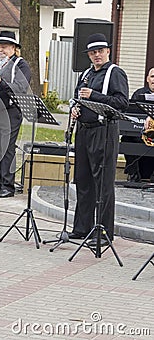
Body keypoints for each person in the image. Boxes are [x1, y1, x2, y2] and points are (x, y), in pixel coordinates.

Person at [69, 33, 129, 246]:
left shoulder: (115, 72)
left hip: (104, 131)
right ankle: (81, 228)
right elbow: (77, 97)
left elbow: (122, 102)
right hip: (84, 131)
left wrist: (94, 95)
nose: (96, 55)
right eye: (93, 52)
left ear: (108, 52)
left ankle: (103, 233)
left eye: (100, 51)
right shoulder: (86, 73)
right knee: (83, 180)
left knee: (103, 182)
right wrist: (75, 108)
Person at [0, 31, 32, 198]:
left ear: (14, 48)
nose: (1, 50)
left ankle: (8, 186)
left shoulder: (21, 65)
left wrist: (0, 83)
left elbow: (20, 87)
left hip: (10, 111)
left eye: (4, 47)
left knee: (7, 148)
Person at [123, 67, 154, 182]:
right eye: (152, 76)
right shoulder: (139, 93)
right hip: (139, 133)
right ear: (147, 79)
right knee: (126, 138)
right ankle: (133, 174)